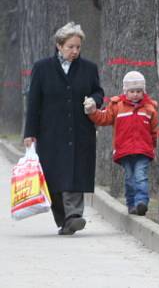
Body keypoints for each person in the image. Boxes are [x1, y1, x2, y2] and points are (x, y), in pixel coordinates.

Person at [23, 22, 104, 235]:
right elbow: (34, 102)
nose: (75, 51)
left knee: (75, 173)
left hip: (79, 131)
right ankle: (64, 220)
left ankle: (74, 216)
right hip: (50, 132)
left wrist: (94, 101)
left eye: (78, 47)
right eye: (70, 46)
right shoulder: (42, 68)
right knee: (52, 179)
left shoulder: (89, 68)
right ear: (59, 45)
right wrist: (29, 133)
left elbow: (98, 92)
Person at [84, 71, 159, 216]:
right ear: (126, 91)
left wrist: (153, 146)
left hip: (143, 150)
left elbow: (154, 130)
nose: (135, 94)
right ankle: (131, 204)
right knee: (130, 179)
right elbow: (104, 118)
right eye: (132, 91)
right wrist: (92, 112)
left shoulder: (149, 109)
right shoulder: (117, 106)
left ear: (143, 91)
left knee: (141, 176)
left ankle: (142, 202)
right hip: (124, 150)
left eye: (138, 91)